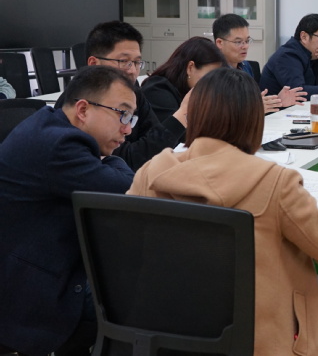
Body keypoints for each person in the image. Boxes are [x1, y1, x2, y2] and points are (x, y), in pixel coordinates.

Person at [127, 67, 318, 355]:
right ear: (254, 121)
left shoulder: (151, 172)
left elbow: (126, 255)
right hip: (261, 343)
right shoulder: (275, 182)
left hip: (167, 339)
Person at [0, 66, 137, 355]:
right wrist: (110, 162)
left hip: (31, 261)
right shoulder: (60, 145)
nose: (127, 128)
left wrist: (104, 162)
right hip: (28, 290)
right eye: (122, 114)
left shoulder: (48, 124)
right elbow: (127, 189)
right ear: (83, 109)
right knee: (142, 299)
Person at [61, 21, 186, 171]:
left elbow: (156, 147)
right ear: (94, 63)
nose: (132, 70)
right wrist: (184, 113)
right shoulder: (80, 106)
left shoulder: (133, 93)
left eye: (137, 62)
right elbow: (129, 160)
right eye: (123, 61)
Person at [213, 13, 305, 112]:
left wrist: (278, 101)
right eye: (238, 42)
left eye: (247, 41)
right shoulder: (213, 73)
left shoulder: (245, 66)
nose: (245, 46)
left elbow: (254, 104)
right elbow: (219, 114)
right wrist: (255, 108)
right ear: (220, 43)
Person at [260, 13, 318, 98]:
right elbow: (298, 92)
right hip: (279, 111)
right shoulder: (286, 56)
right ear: (304, 37)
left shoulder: (317, 56)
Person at [141, 36, 225, 122]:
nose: (213, 83)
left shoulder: (189, 91)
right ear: (190, 67)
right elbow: (170, 129)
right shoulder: (158, 91)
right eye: (210, 76)